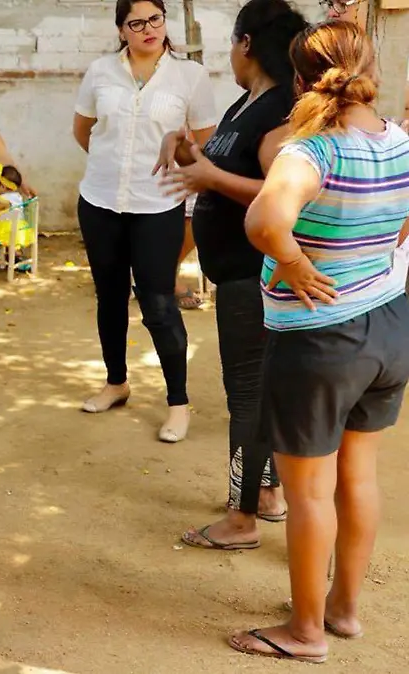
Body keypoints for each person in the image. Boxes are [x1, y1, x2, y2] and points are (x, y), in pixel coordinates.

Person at [227, 21, 409, 663]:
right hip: (389, 327)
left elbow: (265, 220)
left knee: (307, 492)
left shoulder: (311, 152)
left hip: (320, 341)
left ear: (300, 80)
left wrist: (296, 262)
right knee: (358, 477)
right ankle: (344, 611)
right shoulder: (399, 142)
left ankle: (304, 633)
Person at [156, 0, 307, 551]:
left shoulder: (283, 115)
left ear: (246, 44)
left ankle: (240, 518)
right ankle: (265, 495)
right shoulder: (248, 103)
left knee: (246, 395)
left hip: (258, 278)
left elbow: (279, 196)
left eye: (231, 43)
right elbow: (217, 167)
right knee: (254, 394)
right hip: (237, 276)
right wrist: (187, 150)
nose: (229, 53)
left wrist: (212, 176)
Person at [71, 0, 218, 442]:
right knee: (109, 297)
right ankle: (116, 382)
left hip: (157, 206)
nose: (148, 29)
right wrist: (113, 166)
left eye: (155, 19)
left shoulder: (190, 76)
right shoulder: (100, 72)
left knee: (158, 303)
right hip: (99, 201)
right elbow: (84, 131)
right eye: (136, 23)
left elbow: (206, 144)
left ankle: (178, 403)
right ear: (122, 30)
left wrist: (180, 175)